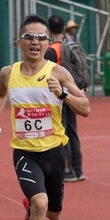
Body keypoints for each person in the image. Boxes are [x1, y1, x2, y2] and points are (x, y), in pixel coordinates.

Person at [0, 15, 90, 220]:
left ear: (48, 42)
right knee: (40, 203)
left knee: (53, 214)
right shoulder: (9, 73)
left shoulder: (58, 73)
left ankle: (32, 209)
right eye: (29, 37)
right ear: (19, 42)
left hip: (55, 152)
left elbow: (86, 107)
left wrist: (64, 94)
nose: (35, 42)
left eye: (41, 37)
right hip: (24, 153)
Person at [45, 15, 85, 182]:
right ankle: (78, 169)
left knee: (62, 132)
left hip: (59, 95)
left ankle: (68, 170)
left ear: (48, 29)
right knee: (73, 132)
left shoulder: (51, 50)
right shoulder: (71, 45)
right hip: (73, 92)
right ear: (63, 29)